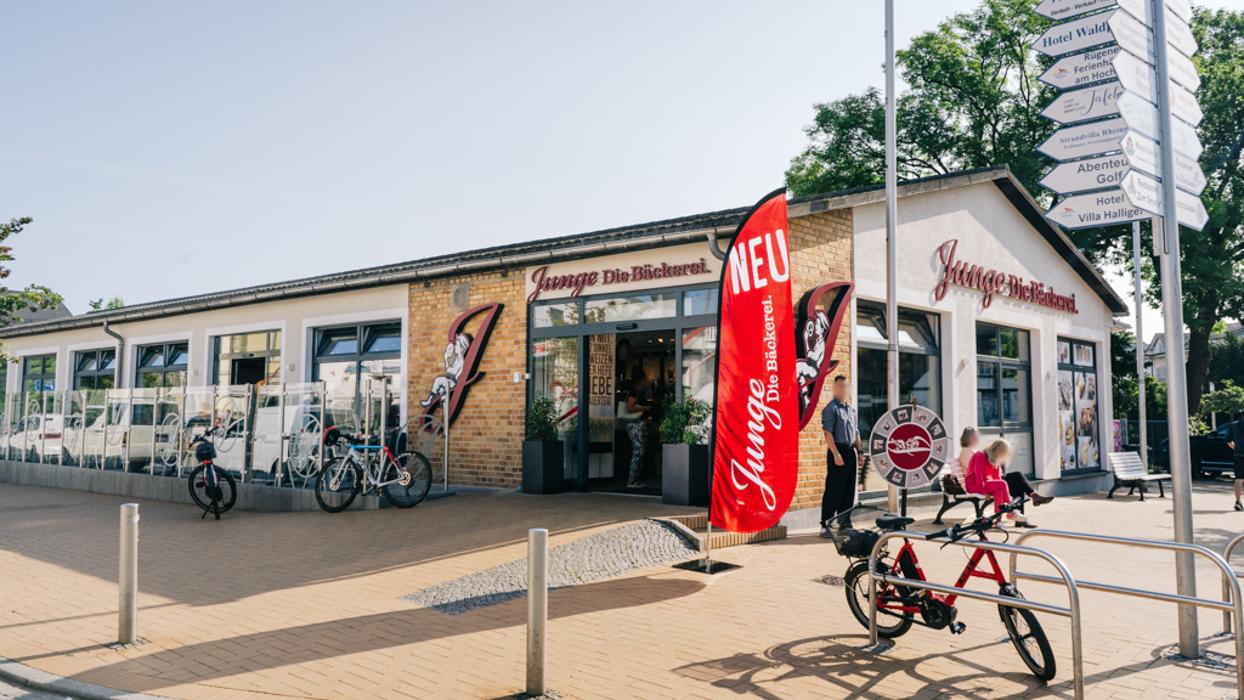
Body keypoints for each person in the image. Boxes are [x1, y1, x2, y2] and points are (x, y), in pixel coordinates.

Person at [965, 438, 1052, 527]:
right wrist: (984, 492)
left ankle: (998, 521)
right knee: (1004, 483)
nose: (1004, 456)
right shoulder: (980, 455)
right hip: (974, 484)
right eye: (1004, 453)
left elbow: (997, 477)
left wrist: (994, 487)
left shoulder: (995, 459)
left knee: (1001, 489)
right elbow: (978, 476)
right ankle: (1011, 511)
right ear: (999, 450)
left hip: (987, 484)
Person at [821, 375, 863, 536]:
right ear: (834, 388)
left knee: (848, 490)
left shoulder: (851, 409)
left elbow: (856, 433)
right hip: (837, 450)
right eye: (839, 386)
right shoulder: (831, 409)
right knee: (833, 490)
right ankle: (825, 524)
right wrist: (836, 454)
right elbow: (827, 433)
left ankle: (844, 522)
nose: (842, 389)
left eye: (845, 386)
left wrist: (859, 452)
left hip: (850, 451)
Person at [622, 372, 655, 488]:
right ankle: (632, 480)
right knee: (639, 451)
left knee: (639, 451)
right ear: (641, 381)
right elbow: (630, 407)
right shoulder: (635, 392)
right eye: (646, 379)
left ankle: (635, 478)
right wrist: (646, 408)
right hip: (635, 424)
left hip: (636, 424)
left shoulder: (638, 392)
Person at [1228, 411, 1244, 511]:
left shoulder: (1234, 425)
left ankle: (1238, 501)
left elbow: (1228, 441)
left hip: (1238, 454)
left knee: (1239, 479)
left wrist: (1236, 448)